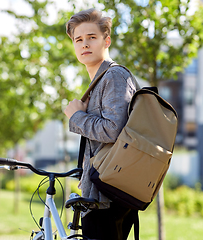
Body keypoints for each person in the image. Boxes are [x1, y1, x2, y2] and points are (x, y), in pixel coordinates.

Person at [64, 8, 139, 240]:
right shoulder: (99, 81)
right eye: (79, 39)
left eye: (92, 37)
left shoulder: (114, 77)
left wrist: (76, 117)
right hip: (102, 191)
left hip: (108, 195)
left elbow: (113, 130)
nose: (84, 44)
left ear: (106, 40)